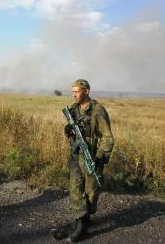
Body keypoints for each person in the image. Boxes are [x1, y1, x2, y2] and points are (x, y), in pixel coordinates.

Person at [63, 79, 114, 242]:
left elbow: (108, 138)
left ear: (87, 91)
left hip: (91, 154)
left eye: (77, 91)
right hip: (76, 154)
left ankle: (87, 216)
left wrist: (100, 157)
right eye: (72, 91)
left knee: (91, 191)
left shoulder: (97, 110)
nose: (74, 94)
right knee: (75, 188)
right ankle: (81, 224)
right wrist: (68, 131)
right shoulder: (73, 109)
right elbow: (71, 132)